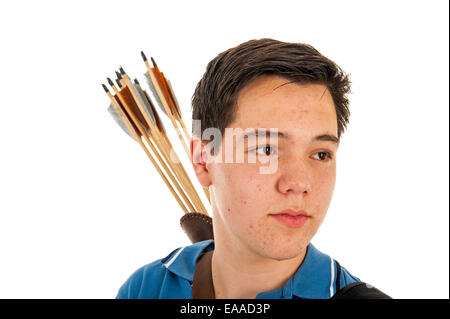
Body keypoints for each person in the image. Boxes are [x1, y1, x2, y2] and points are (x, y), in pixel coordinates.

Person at [116, 38, 390, 299]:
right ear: (203, 160)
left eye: (320, 154)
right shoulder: (146, 288)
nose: (298, 183)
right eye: (267, 150)